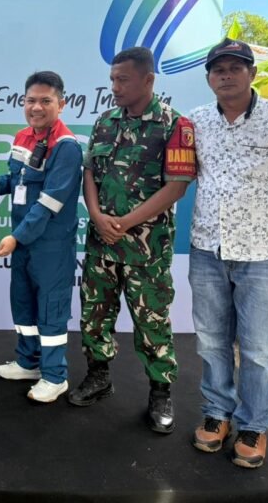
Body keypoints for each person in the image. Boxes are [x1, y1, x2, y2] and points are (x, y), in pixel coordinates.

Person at [188, 38, 268, 468]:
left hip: (264, 255)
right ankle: (216, 414)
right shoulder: (196, 122)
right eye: (218, 69)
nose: (226, 74)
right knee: (211, 343)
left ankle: (253, 425)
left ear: (252, 73)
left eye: (235, 67)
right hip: (207, 249)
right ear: (209, 78)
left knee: (261, 349)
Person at [69, 47, 196, 432]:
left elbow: (176, 187)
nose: (115, 86)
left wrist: (124, 222)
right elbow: (89, 173)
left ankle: (160, 392)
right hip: (101, 243)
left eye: (123, 79)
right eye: (112, 79)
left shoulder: (176, 125)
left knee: (152, 322)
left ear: (148, 80)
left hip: (147, 250)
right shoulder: (105, 122)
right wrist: (95, 215)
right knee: (94, 314)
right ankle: (98, 375)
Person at [0, 70, 83, 403]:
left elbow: (48, 203)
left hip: (50, 245)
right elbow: (13, 180)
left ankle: (54, 375)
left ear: (61, 103)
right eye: (31, 100)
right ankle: (28, 362)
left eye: (45, 101)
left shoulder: (67, 147)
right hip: (23, 242)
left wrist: (16, 237)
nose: (37, 107)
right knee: (23, 304)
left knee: (51, 309)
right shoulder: (21, 137)